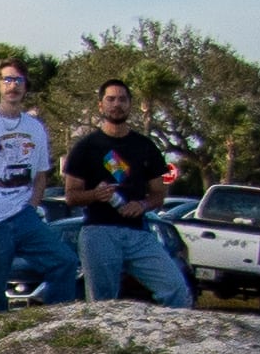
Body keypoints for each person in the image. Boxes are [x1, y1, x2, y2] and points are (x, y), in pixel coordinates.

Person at [63, 77, 193, 305]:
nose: (117, 104)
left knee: (176, 289)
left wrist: (142, 205)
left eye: (122, 99)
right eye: (110, 99)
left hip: (139, 233)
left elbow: (159, 194)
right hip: (99, 231)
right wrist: (95, 195)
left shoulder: (145, 146)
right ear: (100, 105)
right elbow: (71, 195)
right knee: (102, 305)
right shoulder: (86, 147)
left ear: (130, 104)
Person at [0, 59, 76, 307]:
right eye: (7, 80)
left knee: (64, 261)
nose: (12, 86)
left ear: (25, 86)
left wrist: (31, 209)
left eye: (18, 80)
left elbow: (40, 176)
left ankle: (56, 321)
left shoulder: (35, 128)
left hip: (24, 217)